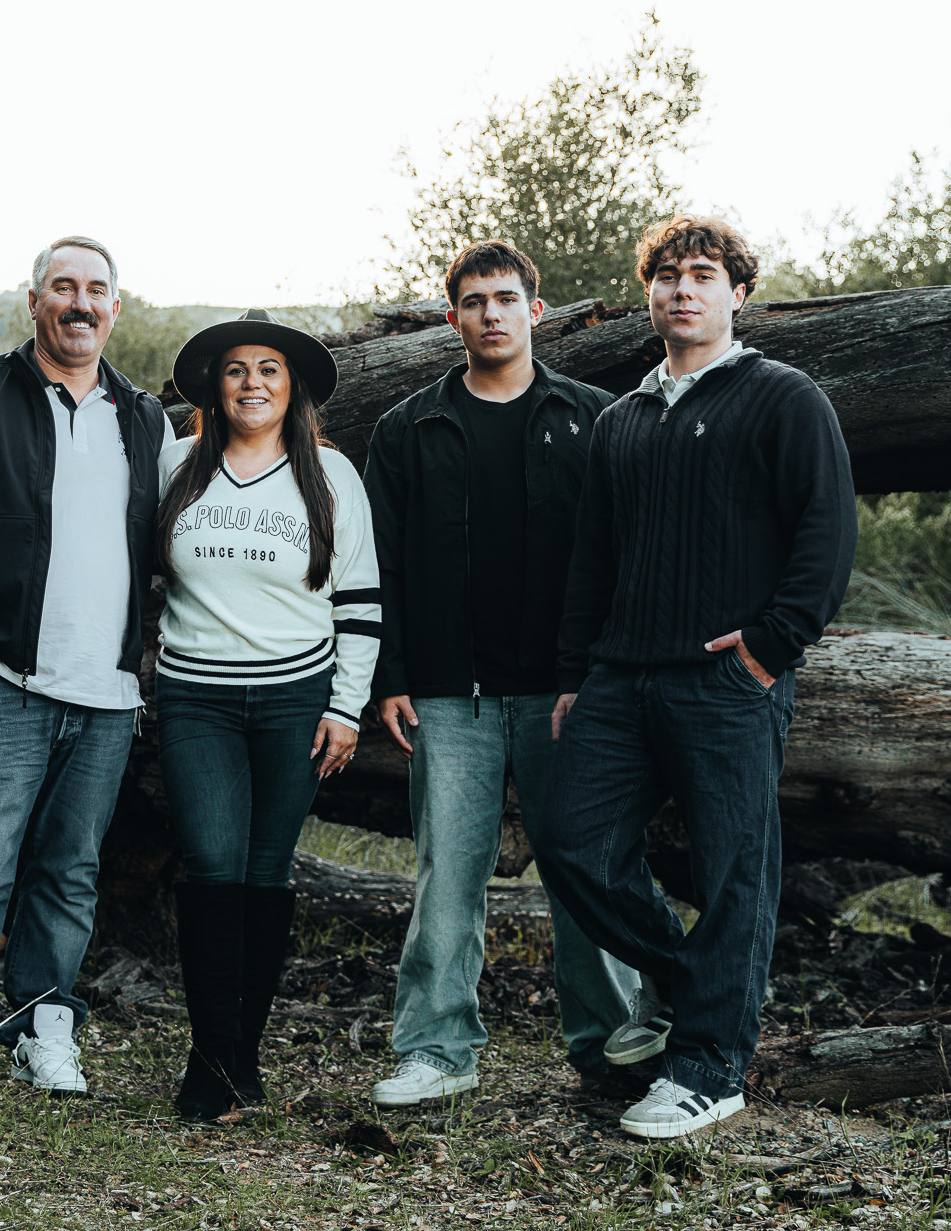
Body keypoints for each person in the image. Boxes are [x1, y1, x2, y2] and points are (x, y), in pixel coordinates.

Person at [535, 215, 856, 1140]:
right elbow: (594, 558)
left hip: (727, 681)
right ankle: (689, 984)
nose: (683, 289)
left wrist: (769, 648)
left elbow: (827, 532)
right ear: (650, 292)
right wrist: (575, 671)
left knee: (733, 874)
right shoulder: (621, 419)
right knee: (570, 843)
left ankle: (710, 1068)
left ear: (738, 293)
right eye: (668, 274)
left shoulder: (784, 397)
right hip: (619, 677)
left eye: (704, 274)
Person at [0, 236, 173, 1109]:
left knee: (69, 868)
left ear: (115, 308)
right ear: (34, 301)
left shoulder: (146, 420)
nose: (80, 303)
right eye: (63, 286)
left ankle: (42, 1030)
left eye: (96, 290)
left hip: (106, 693)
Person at [360, 240, 642, 1106]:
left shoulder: (596, 418)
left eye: (507, 298)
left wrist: (604, 676)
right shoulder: (408, 429)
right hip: (451, 693)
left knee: (584, 867)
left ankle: (612, 1048)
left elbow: (625, 555)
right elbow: (381, 564)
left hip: (569, 691)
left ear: (536, 311)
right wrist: (390, 674)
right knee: (448, 872)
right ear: (452, 318)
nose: (492, 313)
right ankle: (437, 1050)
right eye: (475, 301)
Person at [153, 311, 381, 1122]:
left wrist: (347, 706)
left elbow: (360, 601)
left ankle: (240, 1059)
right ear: (214, 386)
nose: (252, 383)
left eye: (269, 369)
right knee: (212, 864)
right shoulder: (175, 463)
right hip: (195, 695)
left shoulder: (330, 473)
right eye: (236, 369)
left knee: (266, 870)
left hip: (296, 697)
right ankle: (211, 1058)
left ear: (293, 387)